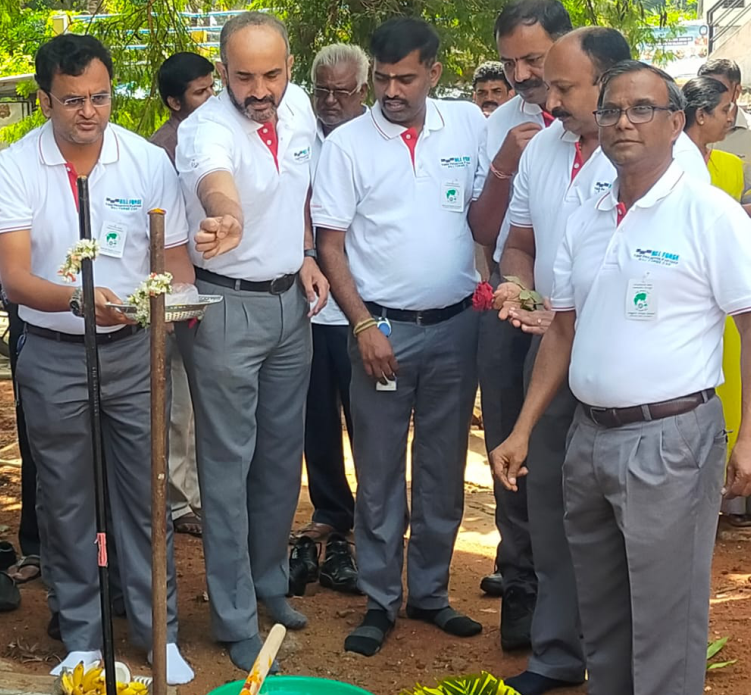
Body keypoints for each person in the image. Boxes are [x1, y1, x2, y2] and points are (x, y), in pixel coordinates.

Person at [492, 60, 751, 696]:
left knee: (665, 622)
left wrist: (750, 436)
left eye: (643, 109)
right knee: (604, 614)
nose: (623, 123)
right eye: (611, 110)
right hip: (588, 437)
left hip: (670, 441)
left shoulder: (709, 214)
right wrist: (523, 429)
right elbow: (561, 328)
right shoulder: (586, 215)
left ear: (675, 122)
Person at [0, 33, 195, 684]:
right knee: (66, 497)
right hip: (51, 351)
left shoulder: (144, 163)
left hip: (134, 351)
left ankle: (160, 635)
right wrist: (79, 301)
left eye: (100, 97)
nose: (88, 112)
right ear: (44, 98)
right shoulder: (14, 168)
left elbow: (176, 263)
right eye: (72, 100)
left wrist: (167, 311)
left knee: (144, 496)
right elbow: (15, 279)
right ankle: (80, 634)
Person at [312, 17, 486, 658]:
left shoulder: (467, 124)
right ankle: (381, 602)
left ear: (434, 73)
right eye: (382, 78)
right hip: (380, 331)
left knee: (441, 471)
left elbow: (481, 216)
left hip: (456, 326)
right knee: (380, 473)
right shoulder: (348, 145)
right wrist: (361, 324)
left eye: (404, 78)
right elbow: (331, 244)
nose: (391, 90)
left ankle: (432, 596)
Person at [173, 11, 327, 672]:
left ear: (289, 67)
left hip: (291, 303)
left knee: (277, 457)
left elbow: (297, 194)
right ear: (221, 72)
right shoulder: (204, 128)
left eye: (270, 74)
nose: (258, 90)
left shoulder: (296, 108)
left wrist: (307, 252)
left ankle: (270, 584)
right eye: (243, 77)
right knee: (227, 466)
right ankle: (234, 614)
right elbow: (217, 185)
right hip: (226, 307)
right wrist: (224, 218)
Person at [464, 0, 572, 638]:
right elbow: (484, 226)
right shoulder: (502, 121)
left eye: (534, 59)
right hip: (511, 304)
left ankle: (579, 601)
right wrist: (506, 155)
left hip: (592, 316)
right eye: (512, 62)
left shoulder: (605, 115)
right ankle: (522, 586)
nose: (524, 73)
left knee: (573, 459)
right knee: (513, 444)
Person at [296, 42, 369, 594]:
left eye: (342, 91)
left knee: (369, 423)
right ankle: (331, 510)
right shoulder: (300, 140)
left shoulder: (374, 142)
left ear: (362, 91)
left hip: (364, 308)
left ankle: (377, 518)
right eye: (322, 89)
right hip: (307, 310)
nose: (329, 100)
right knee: (315, 418)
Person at [682, 76, 751, 528]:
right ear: (701, 115)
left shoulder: (728, 163)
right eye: (726, 108)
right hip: (696, 299)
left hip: (733, 294)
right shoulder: (673, 166)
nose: (733, 116)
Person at [151, 50, 216, 538]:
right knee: (174, 402)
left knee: (201, 401)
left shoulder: (221, 134)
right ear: (174, 101)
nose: (211, 98)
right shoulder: (161, 152)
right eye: (200, 93)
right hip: (175, 292)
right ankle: (177, 502)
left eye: (213, 88)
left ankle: (197, 493)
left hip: (210, 289)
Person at [699, 58, 751, 165]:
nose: (711, 95)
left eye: (719, 89)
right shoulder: (687, 129)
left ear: (737, 91)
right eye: (705, 88)